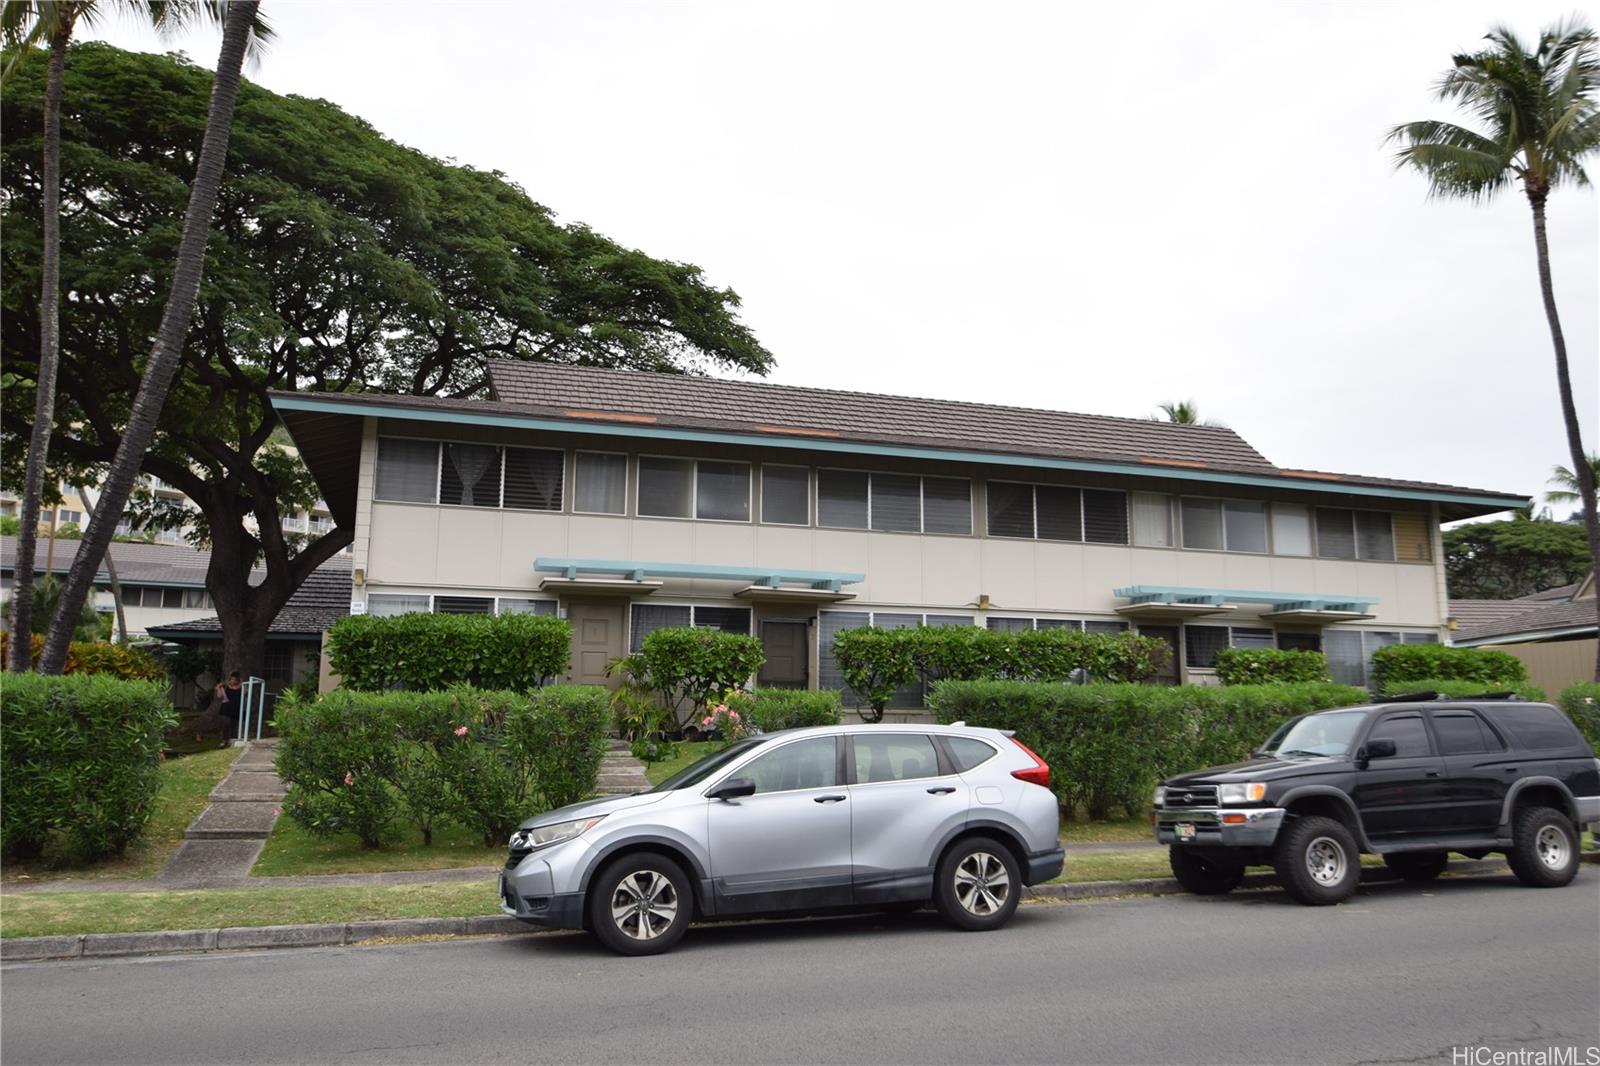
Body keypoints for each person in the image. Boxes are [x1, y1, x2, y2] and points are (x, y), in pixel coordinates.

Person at [214, 671, 243, 747]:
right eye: (231, 679)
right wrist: (218, 688)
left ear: (238, 680)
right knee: (226, 724)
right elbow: (219, 696)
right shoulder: (225, 687)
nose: (232, 681)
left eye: (235, 679)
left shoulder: (242, 687)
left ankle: (232, 740)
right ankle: (224, 740)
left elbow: (245, 694)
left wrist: (242, 685)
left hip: (236, 709)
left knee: (234, 725)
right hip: (226, 708)